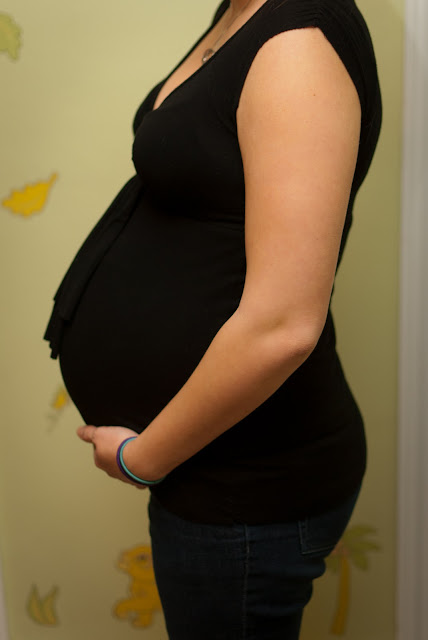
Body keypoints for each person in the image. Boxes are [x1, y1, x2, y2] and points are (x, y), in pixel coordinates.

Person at [44, 0, 382, 638]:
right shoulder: (242, 9)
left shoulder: (299, 44)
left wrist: (144, 458)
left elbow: (283, 326)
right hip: (213, 471)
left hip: (247, 486)